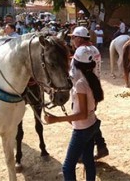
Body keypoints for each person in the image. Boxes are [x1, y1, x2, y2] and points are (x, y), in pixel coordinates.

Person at [44, 46, 104, 181]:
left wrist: (56, 119)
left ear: (75, 63)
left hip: (82, 129)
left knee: (67, 167)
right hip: (92, 124)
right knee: (88, 160)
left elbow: (82, 114)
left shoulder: (81, 84)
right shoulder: (92, 78)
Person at [69, 26, 109, 159]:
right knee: (91, 117)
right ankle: (101, 145)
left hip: (82, 90)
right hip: (94, 88)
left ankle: (85, 152)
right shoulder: (94, 49)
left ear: (79, 38)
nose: (72, 40)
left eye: (74, 37)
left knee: (83, 121)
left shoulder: (80, 52)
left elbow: (73, 75)